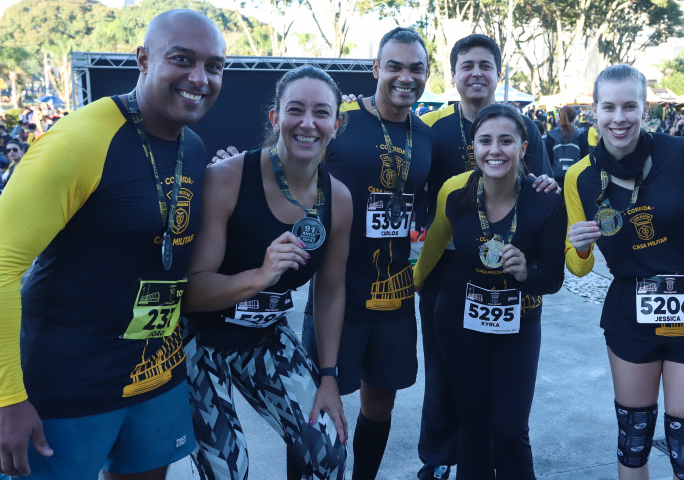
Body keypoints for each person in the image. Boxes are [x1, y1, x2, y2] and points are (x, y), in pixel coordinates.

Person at [0, 9, 225, 479]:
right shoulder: (79, 140)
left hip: (157, 373)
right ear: (142, 59)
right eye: (182, 59)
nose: (199, 78)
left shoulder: (194, 147)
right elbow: (2, 264)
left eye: (213, 66)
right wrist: (7, 398)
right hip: (68, 385)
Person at [183, 66, 350, 479]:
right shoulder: (227, 177)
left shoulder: (338, 199)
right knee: (228, 469)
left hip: (265, 336)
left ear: (336, 125)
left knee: (328, 450)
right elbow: (191, 292)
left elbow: (330, 291)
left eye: (321, 113)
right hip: (199, 339)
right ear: (276, 118)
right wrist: (259, 275)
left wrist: (328, 378)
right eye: (295, 110)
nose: (307, 123)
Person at [565, 64, 684, 480]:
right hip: (629, 313)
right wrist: (580, 246)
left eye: (630, 106)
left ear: (645, 109)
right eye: (609, 107)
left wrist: (671, 229)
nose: (619, 118)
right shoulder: (579, 176)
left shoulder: (682, 154)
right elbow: (578, 266)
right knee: (633, 443)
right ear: (594, 111)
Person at [295, 27, 434, 480]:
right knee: (315, 406)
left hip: (394, 295)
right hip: (338, 291)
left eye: (416, 68)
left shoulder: (424, 136)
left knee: (379, 405)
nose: (405, 77)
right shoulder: (342, 120)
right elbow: (287, 169)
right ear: (376, 68)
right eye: (394, 66)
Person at [416, 33, 555, 480]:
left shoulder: (526, 131)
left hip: (513, 282)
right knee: (447, 384)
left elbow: (541, 189)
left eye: (485, 65)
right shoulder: (433, 129)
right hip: (451, 278)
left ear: (498, 73)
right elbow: (418, 195)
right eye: (467, 65)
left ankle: (497, 458)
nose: (476, 73)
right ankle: (439, 460)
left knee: (506, 412)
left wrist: (549, 188)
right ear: (453, 74)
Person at [545, 105, 584, 187]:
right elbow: (585, 158)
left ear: (560, 117)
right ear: (573, 119)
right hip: (576, 179)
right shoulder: (580, 136)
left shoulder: (551, 136)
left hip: (555, 180)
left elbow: (547, 159)